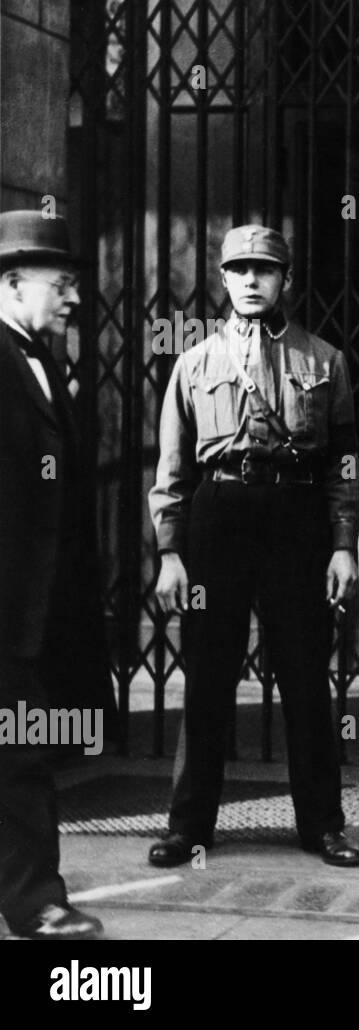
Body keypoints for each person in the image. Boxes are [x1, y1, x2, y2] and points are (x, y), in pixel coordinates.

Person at [147, 225, 359, 868]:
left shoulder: (325, 361)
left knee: (304, 676)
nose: (250, 281)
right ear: (221, 278)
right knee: (209, 676)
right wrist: (169, 550)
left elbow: (344, 463)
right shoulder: (194, 364)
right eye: (238, 269)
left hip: (294, 520)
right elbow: (172, 466)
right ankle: (189, 826)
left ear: (286, 280)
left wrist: (342, 544)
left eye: (264, 270)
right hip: (219, 517)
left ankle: (324, 824)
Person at [0, 210, 115, 938]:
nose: (74, 298)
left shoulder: (41, 358)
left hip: (32, 607)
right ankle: (36, 901)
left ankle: (31, 891)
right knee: (21, 753)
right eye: (62, 284)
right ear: (13, 283)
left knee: (22, 749)